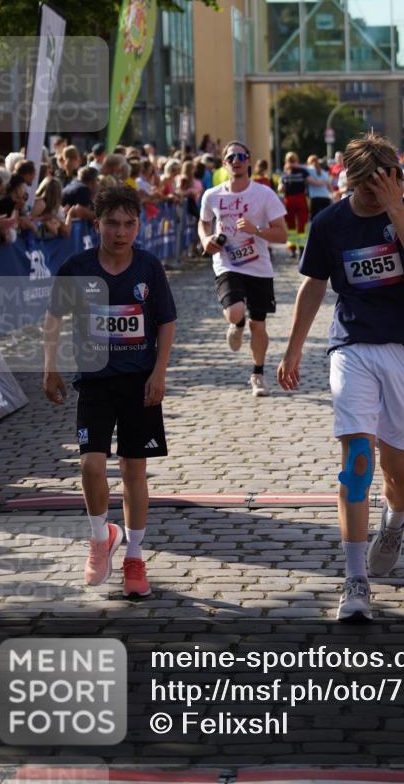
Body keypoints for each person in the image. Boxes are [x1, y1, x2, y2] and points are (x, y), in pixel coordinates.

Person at [278, 133, 404, 621]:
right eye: (365, 188)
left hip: (403, 348)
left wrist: (396, 212)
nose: (372, 196)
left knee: (400, 474)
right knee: (358, 459)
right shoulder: (330, 223)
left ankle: (396, 521)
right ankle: (355, 580)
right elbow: (313, 287)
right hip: (350, 345)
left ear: (395, 180)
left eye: (382, 187)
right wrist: (294, 348)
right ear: (349, 180)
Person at [43, 186, 177, 598]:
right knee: (91, 467)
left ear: (139, 225)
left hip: (139, 385)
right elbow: (53, 319)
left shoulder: (149, 268)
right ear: (97, 223)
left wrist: (159, 371)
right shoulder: (76, 267)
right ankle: (100, 539)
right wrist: (50, 368)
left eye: (129, 224)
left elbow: (165, 323)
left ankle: (134, 555)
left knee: (133, 471)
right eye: (113, 223)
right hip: (95, 383)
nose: (121, 232)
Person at [198, 141, 287, 397]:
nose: (236, 160)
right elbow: (204, 223)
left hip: (258, 266)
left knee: (258, 326)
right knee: (235, 310)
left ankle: (257, 374)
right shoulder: (212, 195)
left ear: (248, 161)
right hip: (227, 263)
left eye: (241, 156)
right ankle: (236, 324)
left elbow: (282, 234)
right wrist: (206, 240)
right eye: (230, 157)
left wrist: (255, 229)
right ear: (224, 164)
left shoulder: (264, 194)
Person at [278, 151, 310, 257]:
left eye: (292, 160)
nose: (291, 162)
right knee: (296, 225)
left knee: (296, 226)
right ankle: (296, 249)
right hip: (295, 199)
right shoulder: (287, 173)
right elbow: (280, 188)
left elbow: (280, 189)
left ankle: (297, 249)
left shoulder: (297, 172)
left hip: (294, 199)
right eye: (290, 160)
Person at [306, 155, 333, 220]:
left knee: (314, 219)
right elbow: (329, 186)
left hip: (315, 198)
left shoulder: (308, 170)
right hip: (326, 197)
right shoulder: (324, 172)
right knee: (326, 219)